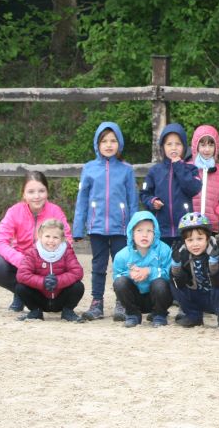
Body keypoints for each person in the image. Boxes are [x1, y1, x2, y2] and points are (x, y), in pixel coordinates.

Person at [73, 121, 139, 322]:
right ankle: (97, 302)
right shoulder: (89, 168)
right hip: (97, 227)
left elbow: (133, 200)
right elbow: (82, 199)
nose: (109, 144)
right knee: (98, 266)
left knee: (122, 265)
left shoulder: (127, 170)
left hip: (121, 227)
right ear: (97, 143)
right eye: (104, 141)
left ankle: (121, 302)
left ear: (119, 143)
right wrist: (78, 228)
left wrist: (134, 227)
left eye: (113, 140)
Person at [0, 172, 72, 312]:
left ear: (47, 192)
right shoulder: (14, 211)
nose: (36, 196)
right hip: (21, 263)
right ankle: (21, 293)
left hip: (48, 263)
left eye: (41, 191)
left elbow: (66, 240)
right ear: (23, 194)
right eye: (31, 192)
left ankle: (41, 297)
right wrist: (21, 260)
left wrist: (48, 260)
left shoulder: (55, 211)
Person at [139, 123, 201, 247]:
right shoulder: (155, 171)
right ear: (162, 147)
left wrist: (179, 166)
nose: (173, 148)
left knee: (183, 264)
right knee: (163, 264)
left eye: (178, 144)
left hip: (185, 229)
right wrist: (153, 201)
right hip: (161, 230)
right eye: (169, 144)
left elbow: (193, 188)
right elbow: (144, 194)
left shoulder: (191, 169)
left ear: (184, 147)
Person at [169, 212, 219, 328]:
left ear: (207, 238)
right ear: (185, 241)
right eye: (190, 240)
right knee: (173, 282)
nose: (195, 244)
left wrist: (214, 263)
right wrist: (176, 266)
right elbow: (179, 283)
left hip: (216, 296)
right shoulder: (182, 253)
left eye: (199, 239)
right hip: (197, 296)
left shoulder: (217, 251)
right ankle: (193, 316)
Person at [14, 219, 84, 322]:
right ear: (40, 236)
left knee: (78, 286)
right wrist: (43, 281)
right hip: (41, 299)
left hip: (60, 298)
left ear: (62, 239)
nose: (51, 240)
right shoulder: (32, 252)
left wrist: (58, 281)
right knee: (20, 287)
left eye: (55, 237)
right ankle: (35, 311)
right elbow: (22, 275)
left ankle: (68, 311)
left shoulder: (67, 251)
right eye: (47, 236)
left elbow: (77, 272)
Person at [112, 211, 174, 327]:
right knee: (120, 283)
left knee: (160, 283)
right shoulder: (122, 255)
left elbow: (171, 274)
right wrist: (130, 274)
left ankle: (159, 315)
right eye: (139, 230)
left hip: (157, 296)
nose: (144, 235)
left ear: (155, 233)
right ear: (132, 233)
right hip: (136, 297)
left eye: (149, 231)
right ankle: (132, 314)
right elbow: (116, 276)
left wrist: (149, 271)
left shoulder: (164, 250)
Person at [189, 124, 219, 230]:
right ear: (196, 146)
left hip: (211, 226)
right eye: (203, 145)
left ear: (216, 147)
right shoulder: (187, 168)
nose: (207, 149)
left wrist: (217, 214)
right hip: (189, 225)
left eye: (211, 145)